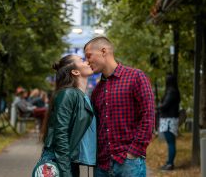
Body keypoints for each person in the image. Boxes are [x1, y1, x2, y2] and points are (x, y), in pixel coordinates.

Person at [84, 36, 155, 177]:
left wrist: (134, 152)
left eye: (88, 56)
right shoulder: (97, 90)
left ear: (103, 51)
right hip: (101, 166)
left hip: (129, 164)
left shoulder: (135, 77)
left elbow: (148, 116)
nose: (87, 61)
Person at [32, 54, 96, 177]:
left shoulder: (81, 96)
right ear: (75, 71)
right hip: (58, 162)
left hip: (69, 161)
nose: (87, 62)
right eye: (82, 60)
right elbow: (60, 135)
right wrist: (66, 172)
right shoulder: (67, 94)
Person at [158, 73, 180, 171]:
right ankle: (169, 163)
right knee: (171, 142)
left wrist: (157, 107)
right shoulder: (174, 91)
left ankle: (170, 164)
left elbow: (165, 105)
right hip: (170, 119)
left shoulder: (171, 92)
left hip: (169, 120)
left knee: (171, 143)